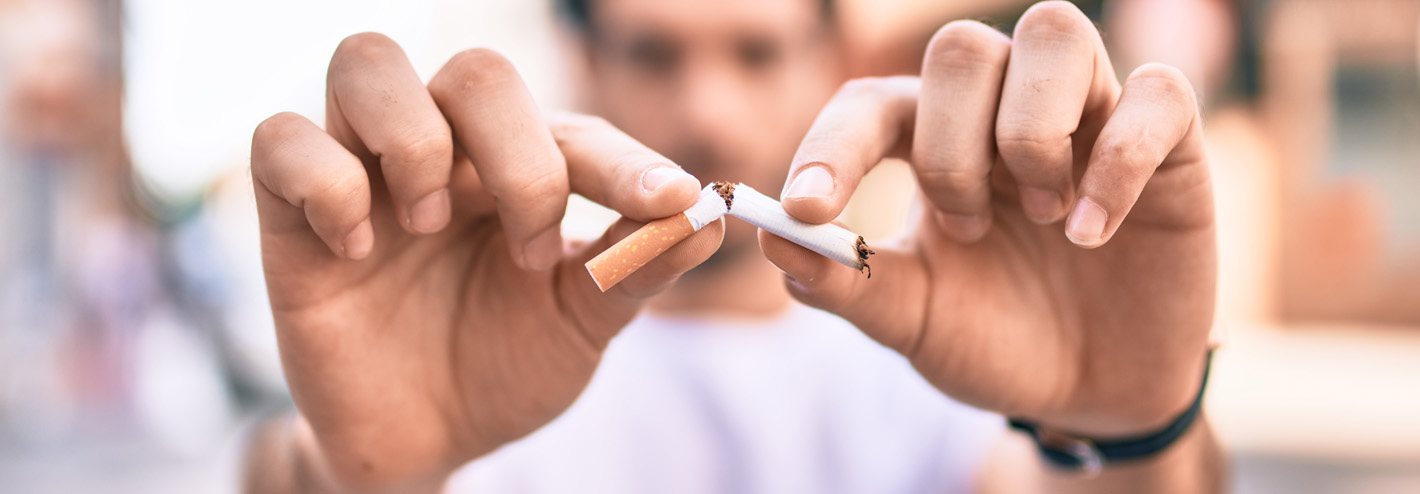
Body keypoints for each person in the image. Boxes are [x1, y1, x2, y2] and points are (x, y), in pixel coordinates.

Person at [243, 0, 1223, 492]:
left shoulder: (933, 354)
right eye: (654, 53)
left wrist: (1133, 424)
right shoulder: (483, 332)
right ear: (582, 60)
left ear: (831, 63)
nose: (705, 114)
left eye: (754, 53)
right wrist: (349, 472)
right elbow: (289, 467)